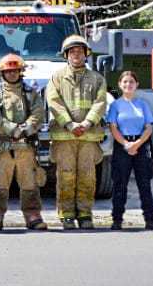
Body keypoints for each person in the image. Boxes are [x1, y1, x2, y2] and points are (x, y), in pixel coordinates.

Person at [45, 35, 107, 230]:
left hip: (88, 136)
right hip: (64, 136)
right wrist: (69, 124)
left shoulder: (97, 79)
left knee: (87, 175)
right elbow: (53, 102)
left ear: (86, 54)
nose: (76, 54)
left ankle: (85, 214)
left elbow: (101, 102)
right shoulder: (56, 78)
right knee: (66, 175)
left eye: (80, 51)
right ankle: (67, 215)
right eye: (72, 51)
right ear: (66, 55)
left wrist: (88, 122)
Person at [0, 54, 48, 231]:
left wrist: (25, 129)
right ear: (2, 73)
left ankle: (33, 216)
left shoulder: (31, 93)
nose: (12, 74)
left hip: (26, 148)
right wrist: (13, 129)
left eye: (15, 71)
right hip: (2, 148)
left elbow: (38, 115)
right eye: (8, 71)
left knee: (30, 183)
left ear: (21, 72)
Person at [105, 70, 153, 231]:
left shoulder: (142, 104)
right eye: (125, 82)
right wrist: (126, 144)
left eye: (131, 82)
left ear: (137, 85)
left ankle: (150, 219)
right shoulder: (115, 105)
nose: (128, 85)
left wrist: (137, 144)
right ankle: (117, 219)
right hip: (122, 146)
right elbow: (113, 127)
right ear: (120, 85)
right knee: (120, 184)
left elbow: (149, 127)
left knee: (144, 184)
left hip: (141, 146)